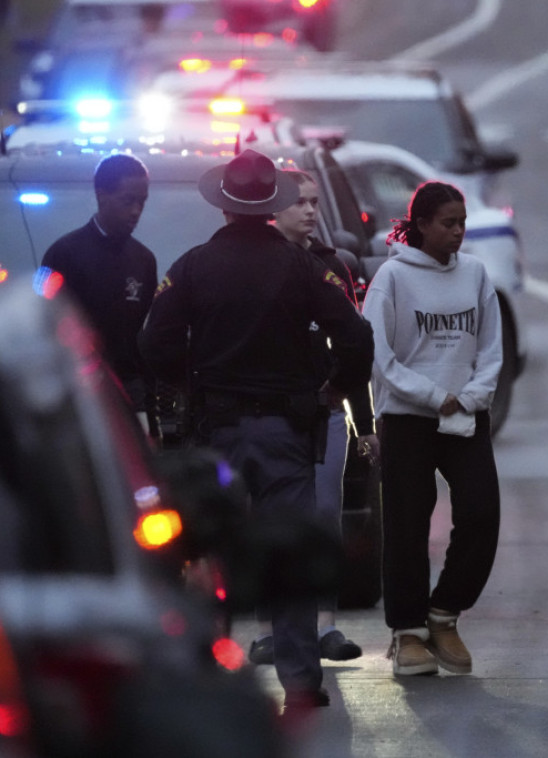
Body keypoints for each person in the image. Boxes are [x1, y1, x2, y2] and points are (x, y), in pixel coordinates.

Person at [138, 149, 374, 711]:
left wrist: (190, 384)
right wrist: (336, 388)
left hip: (216, 430)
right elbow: (356, 337)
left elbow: (153, 344)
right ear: (272, 205)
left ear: (223, 207)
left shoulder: (191, 266)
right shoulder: (302, 267)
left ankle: (208, 670)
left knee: (211, 553)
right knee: (288, 552)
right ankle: (299, 680)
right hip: (286, 433)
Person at [361, 181, 502, 677]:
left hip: (464, 412)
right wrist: (430, 394)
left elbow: (491, 349)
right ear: (421, 225)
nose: (459, 232)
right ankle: (408, 633)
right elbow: (378, 356)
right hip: (408, 418)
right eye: (448, 223)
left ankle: (444, 614)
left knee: (482, 513)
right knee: (406, 523)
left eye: (462, 222)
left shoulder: (476, 274)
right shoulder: (392, 279)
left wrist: (471, 395)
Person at [245, 168, 376, 666]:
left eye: (315, 202)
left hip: (324, 413)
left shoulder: (334, 266)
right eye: (299, 202)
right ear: (272, 209)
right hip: (267, 413)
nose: (310, 211)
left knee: (325, 517)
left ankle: (326, 625)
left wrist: (363, 425)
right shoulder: (252, 265)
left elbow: (354, 347)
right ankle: (266, 629)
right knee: (267, 522)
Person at [40, 153, 157, 434]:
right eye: (128, 200)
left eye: (142, 202)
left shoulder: (144, 260)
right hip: (78, 394)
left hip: (130, 394)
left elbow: (140, 332)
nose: (136, 211)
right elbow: (43, 324)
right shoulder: (63, 253)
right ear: (102, 195)